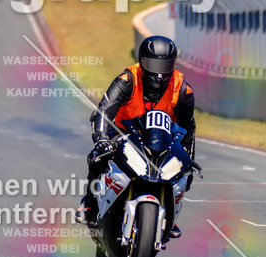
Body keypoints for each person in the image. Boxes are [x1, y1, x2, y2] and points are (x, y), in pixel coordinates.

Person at [78, 36, 196, 238]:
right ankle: (89, 204)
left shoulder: (182, 88)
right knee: (97, 157)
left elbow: (188, 127)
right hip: (122, 132)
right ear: (142, 62)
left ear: (174, 65)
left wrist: (187, 157)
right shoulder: (128, 79)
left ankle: (169, 219)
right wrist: (101, 138)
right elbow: (104, 110)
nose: (159, 73)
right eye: (153, 64)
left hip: (160, 139)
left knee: (182, 176)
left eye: (165, 65)